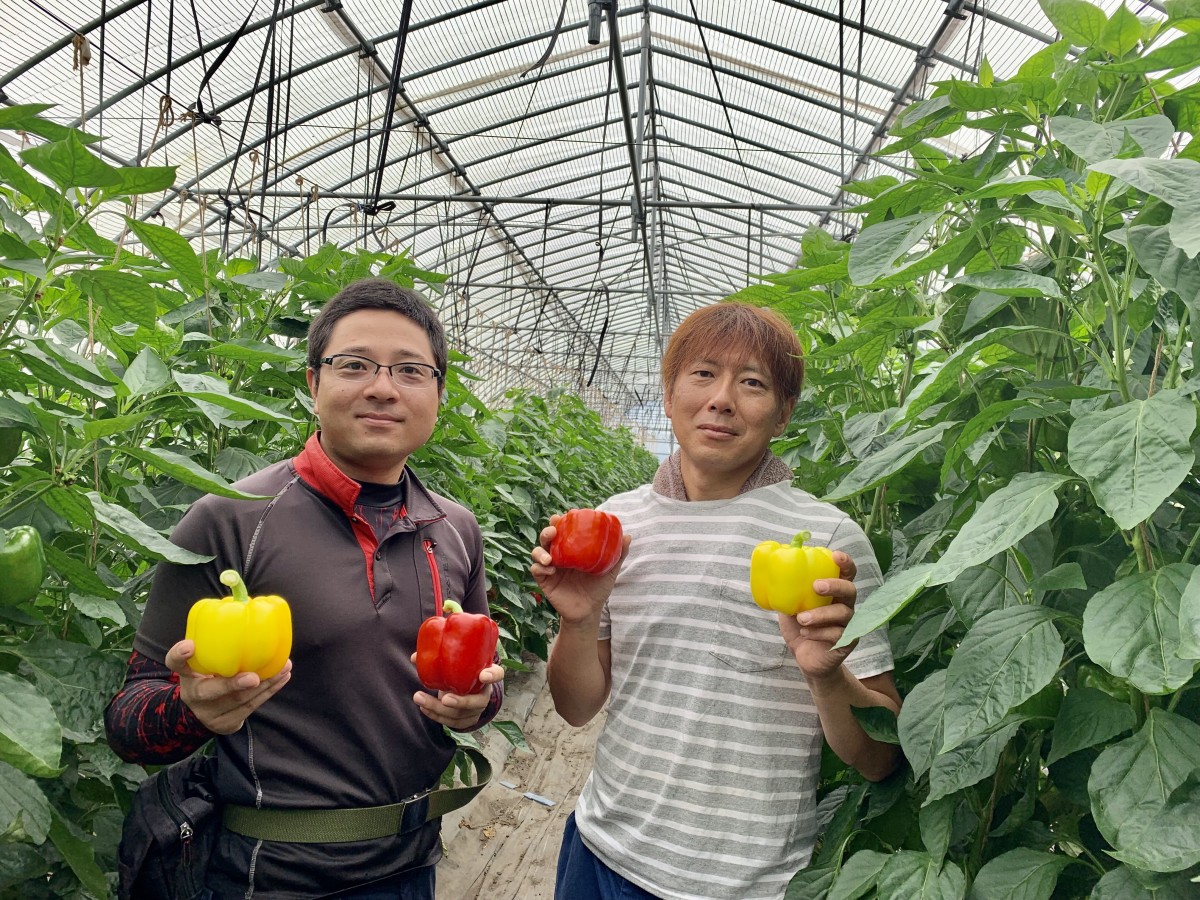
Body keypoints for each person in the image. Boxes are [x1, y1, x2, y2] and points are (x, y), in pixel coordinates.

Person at [105, 278, 504, 899]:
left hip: (413, 865)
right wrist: (191, 711)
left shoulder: (455, 529)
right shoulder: (231, 518)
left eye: (410, 370)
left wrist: (477, 706)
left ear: (438, 393)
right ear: (314, 383)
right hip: (269, 873)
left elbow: (483, 686)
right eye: (354, 365)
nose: (382, 387)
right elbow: (130, 721)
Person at [531, 302, 902, 900]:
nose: (722, 399)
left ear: (783, 414)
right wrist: (579, 620)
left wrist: (827, 679)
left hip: (745, 883)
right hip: (600, 855)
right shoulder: (615, 525)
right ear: (670, 390)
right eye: (702, 373)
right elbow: (576, 709)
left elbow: (881, 757)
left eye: (752, 383)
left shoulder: (827, 543)